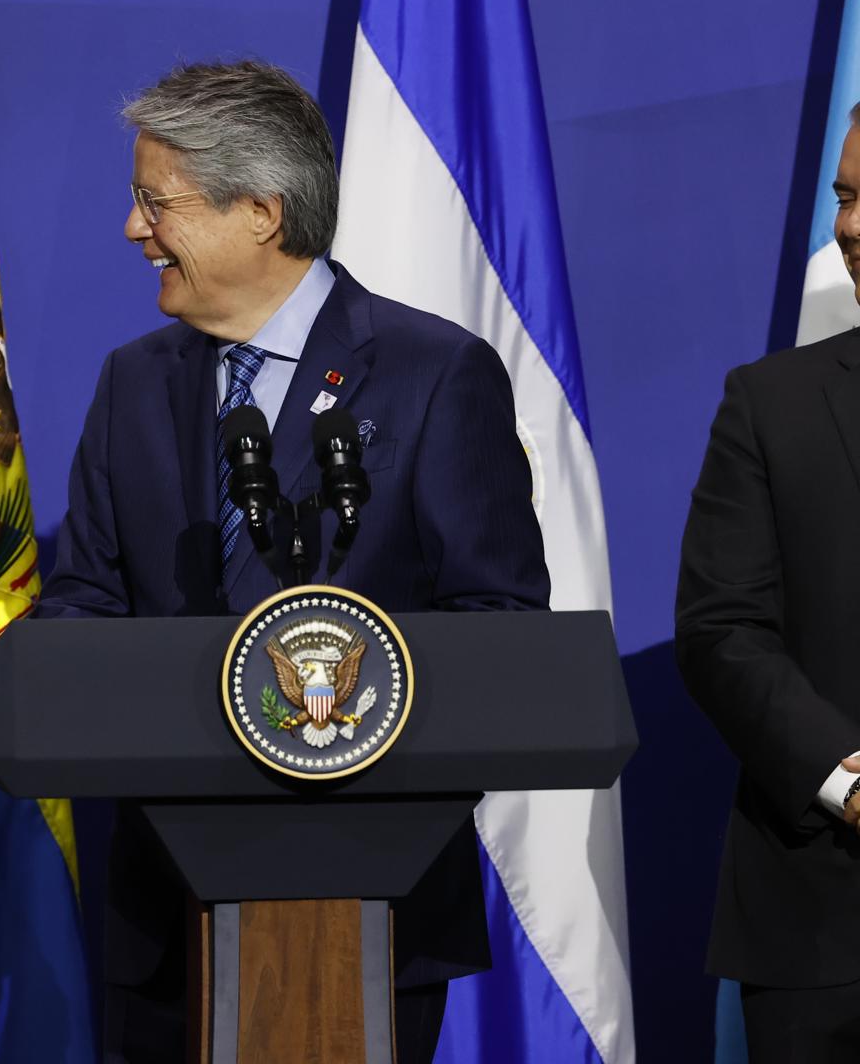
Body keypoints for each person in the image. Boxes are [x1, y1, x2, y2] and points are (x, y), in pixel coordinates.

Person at [37, 59, 549, 1064]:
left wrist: (336, 722)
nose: (134, 230)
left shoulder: (432, 375)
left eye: (156, 203)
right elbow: (82, 606)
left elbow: (499, 620)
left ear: (262, 211)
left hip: (372, 899)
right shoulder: (131, 384)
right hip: (166, 915)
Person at [676, 104, 860, 1061]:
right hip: (825, 921)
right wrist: (849, 778)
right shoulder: (770, 403)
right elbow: (721, 630)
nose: (853, 225)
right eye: (845, 196)